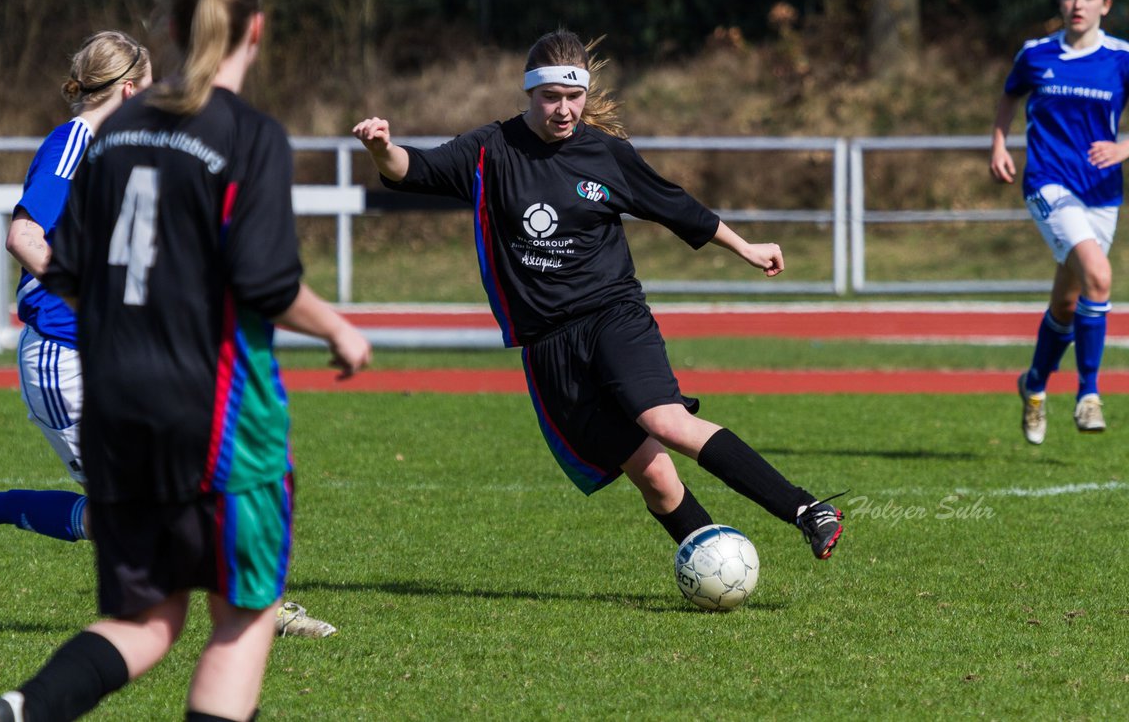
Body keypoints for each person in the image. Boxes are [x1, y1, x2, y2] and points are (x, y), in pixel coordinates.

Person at [0, 0, 371, 722]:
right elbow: (264, 284)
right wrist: (338, 329)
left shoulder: (117, 140)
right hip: (212, 400)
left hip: (120, 391)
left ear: (171, 27)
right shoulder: (241, 135)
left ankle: (21, 709)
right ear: (257, 29)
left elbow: (70, 267)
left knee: (145, 620)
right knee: (238, 614)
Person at [353, 28, 844, 569]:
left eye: (574, 97)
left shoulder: (606, 154)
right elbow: (413, 170)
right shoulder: (491, 151)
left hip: (612, 316)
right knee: (654, 479)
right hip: (547, 347)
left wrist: (746, 247)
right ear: (529, 93)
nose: (564, 110)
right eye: (551, 98)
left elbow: (674, 206)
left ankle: (807, 510)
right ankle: (717, 563)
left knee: (666, 421)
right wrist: (382, 150)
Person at [0, 32, 150, 598]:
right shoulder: (74, 143)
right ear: (130, 87)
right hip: (63, 358)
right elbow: (23, 236)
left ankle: (259, 606)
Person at [989, 0, 1129, 445]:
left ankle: (1033, 385)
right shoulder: (1037, 54)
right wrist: (999, 143)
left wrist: (1123, 148)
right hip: (1048, 184)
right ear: (1061, 1)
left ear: (1105, 5)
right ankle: (1088, 394)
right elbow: (1010, 96)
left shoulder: (1124, 59)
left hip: (1102, 194)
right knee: (1100, 274)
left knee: (1069, 300)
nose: (1078, 4)